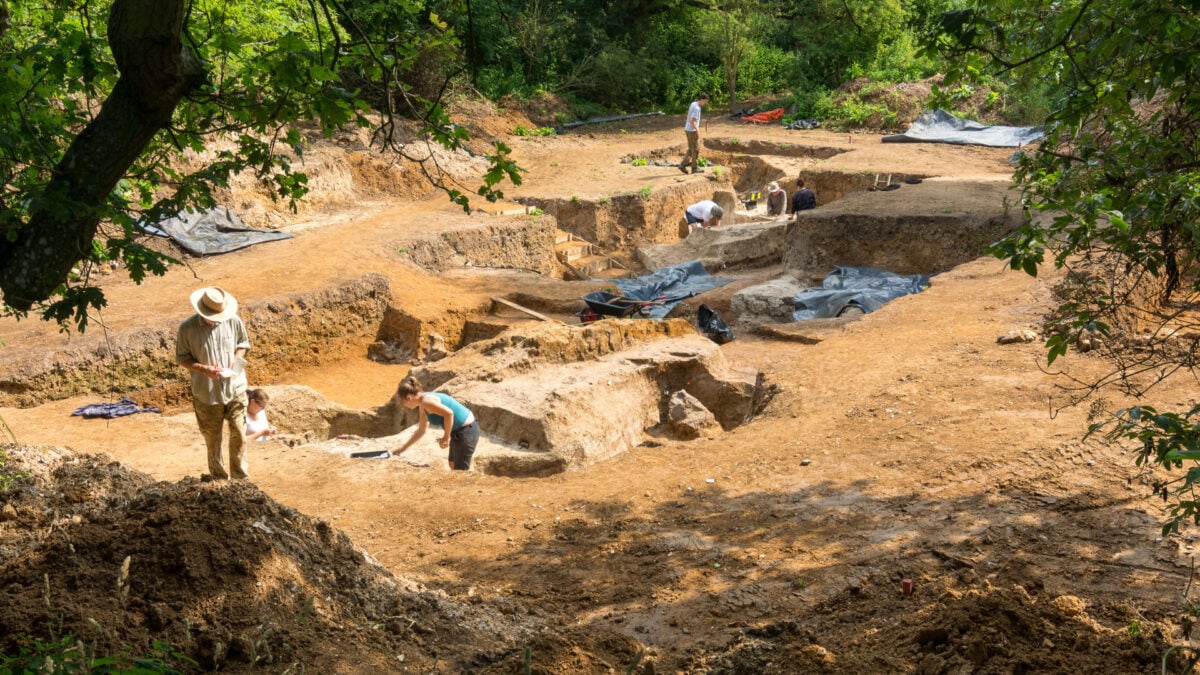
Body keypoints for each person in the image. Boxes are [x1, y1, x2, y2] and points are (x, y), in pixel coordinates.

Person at [176, 286, 252, 480]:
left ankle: (240, 479)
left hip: (235, 388)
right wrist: (204, 369)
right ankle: (219, 480)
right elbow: (182, 358)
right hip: (207, 393)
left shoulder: (233, 320)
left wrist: (236, 359)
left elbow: (243, 344)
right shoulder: (187, 329)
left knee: (239, 434)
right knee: (213, 440)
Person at [391, 376, 480, 471]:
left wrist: (446, 437)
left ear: (408, 398)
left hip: (466, 431)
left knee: (460, 471)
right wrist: (403, 448)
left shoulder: (426, 402)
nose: (405, 406)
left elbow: (449, 414)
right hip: (459, 431)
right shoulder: (423, 404)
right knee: (452, 464)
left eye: (403, 403)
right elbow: (421, 430)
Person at [678, 93, 710, 174]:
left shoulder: (693, 103)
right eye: (705, 101)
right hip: (692, 131)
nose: (705, 103)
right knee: (695, 149)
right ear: (701, 99)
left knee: (691, 149)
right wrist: (697, 130)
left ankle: (687, 166)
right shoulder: (697, 108)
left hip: (688, 129)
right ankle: (690, 167)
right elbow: (692, 120)